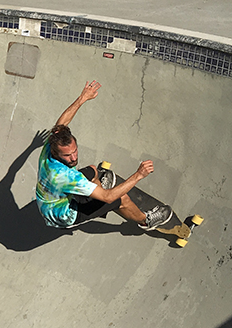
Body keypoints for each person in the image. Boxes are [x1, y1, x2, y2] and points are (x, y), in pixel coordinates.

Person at [36, 80, 172, 230]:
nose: (74, 158)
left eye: (75, 151)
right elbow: (109, 197)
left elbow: (62, 123)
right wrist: (138, 174)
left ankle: (96, 191)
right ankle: (146, 221)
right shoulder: (66, 176)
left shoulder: (51, 145)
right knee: (119, 199)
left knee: (93, 170)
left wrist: (82, 98)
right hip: (63, 215)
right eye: (68, 155)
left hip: (51, 198)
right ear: (56, 152)